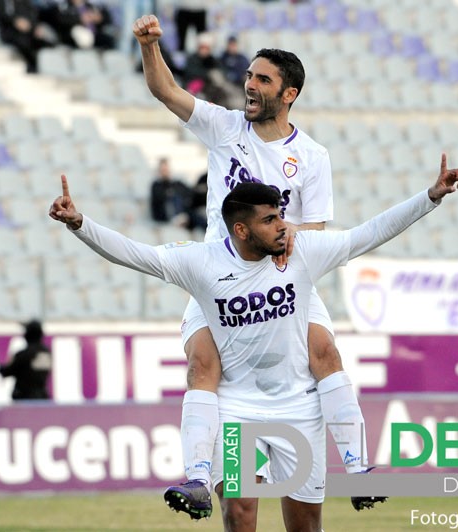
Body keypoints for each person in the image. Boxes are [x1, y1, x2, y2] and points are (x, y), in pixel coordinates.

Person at [50, 157, 458, 530]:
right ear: (241, 230)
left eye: (281, 216)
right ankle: (197, 479)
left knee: (305, 525)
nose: (283, 225)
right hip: (236, 410)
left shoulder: (303, 251)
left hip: (298, 407)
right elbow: (135, 254)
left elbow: (369, 234)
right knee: (240, 511)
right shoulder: (203, 262)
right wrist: (79, 223)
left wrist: (430, 197)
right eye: (270, 220)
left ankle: (357, 468)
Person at [133, 13, 383, 518]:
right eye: (248, 75)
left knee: (325, 351)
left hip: (284, 281)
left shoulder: (312, 156)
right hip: (222, 283)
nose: (249, 84)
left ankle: (359, 467)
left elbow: (315, 229)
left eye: (262, 79)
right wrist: (148, 47)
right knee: (206, 374)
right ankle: (202, 477)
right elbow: (166, 92)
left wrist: (287, 240)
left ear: (288, 93)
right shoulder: (224, 127)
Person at [0, 319, 52, 400]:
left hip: (24, 399)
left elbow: (6, 372)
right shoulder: (47, 353)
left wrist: (0, 367)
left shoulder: (24, 354)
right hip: (42, 398)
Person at [149, 157, 192, 226]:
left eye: (166, 169)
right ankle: (177, 218)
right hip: (164, 216)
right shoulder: (156, 185)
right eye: (163, 170)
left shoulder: (176, 183)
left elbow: (189, 192)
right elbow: (159, 198)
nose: (165, 172)